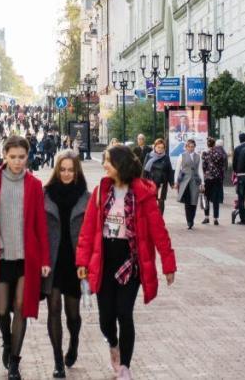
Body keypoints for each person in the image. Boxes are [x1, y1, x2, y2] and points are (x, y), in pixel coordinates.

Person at [75, 144, 176, 380]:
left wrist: (168, 264)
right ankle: (113, 344)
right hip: (105, 260)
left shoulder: (143, 194)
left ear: (119, 165)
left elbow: (159, 232)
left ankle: (125, 367)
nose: (104, 165)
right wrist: (82, 261)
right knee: (106, 318)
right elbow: (88, 230)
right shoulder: (101, 190)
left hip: (131, 261)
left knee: (124, 313)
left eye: (108, 161)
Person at [0, 135, 49, 380]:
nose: (17, 162)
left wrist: (45, 259)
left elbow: (40, 226)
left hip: (27, 257)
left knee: (21, 308)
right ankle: (7, 341)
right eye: (13, 157)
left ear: (28, 157)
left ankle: (14, 361)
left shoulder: (35, 185)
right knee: (2, 309)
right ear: (4, 155)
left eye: (22, 157)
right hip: (1, 256)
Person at [43, 151, 89, 378]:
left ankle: (74, 341)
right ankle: (58, 360)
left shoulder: (86, 197)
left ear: (77, 171)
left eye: (71, 169)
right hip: (51, 261)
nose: (67, 173)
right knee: (53, 310)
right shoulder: (45, 194)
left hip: (74, 261)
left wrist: (87, 261)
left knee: (73, 315)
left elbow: (91, 233)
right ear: (56, 170)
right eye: (63, 169)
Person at [175, 138, 202, 230]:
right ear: (186, 147)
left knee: (194, 201)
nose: (191, 148)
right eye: (189, 146)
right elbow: (178, 170)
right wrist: (176, 182)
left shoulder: (198, 157)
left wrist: (203, 183)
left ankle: (192, 218)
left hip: (195, 181)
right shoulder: (181, 156)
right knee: (187, 202)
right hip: (185, 182)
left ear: (194, 147)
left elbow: (200, 170)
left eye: (192, 146)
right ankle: (189, 221)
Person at [200, 136, 227, 224]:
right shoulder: (219, 154)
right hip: (217, 178)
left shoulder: (205, 154)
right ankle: (215, 218)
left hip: (207, 178)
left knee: (206, 197)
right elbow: (222, 165)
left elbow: (203, 167)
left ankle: (206, 217)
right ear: (214, 144)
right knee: (215, 199)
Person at [142, 138, 174, 215]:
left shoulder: (166, 157)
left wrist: (172, 183)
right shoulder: (149, 156)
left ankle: (160, 219)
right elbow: (144, 170)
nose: (160, 149)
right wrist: (142, 183)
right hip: (151, 182)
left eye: (162, 148)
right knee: (151, 201)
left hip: (162, 183)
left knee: (161, 201)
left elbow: (169, 170)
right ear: (155, 147)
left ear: (164, 149)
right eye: (158, 147)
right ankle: (152, 218)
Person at [230, 132, 245, 225]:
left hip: (241, 176)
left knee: (241, 198)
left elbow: (234, 164)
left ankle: (243, 219)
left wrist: (236, 172)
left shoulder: (237, 149)